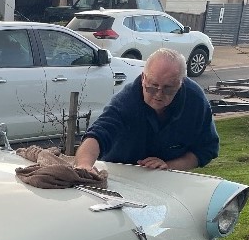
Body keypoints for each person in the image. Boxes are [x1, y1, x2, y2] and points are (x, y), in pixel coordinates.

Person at [73, 47, 219, 174]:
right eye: (152, 86)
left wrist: (169, 166)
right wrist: (84, 165)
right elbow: (98, 135)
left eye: (168, 88)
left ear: (181, 84)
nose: (159, 94)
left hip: (166, 177)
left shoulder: (195, 100)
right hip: (120, 172)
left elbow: (207, 148)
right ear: (143, 78)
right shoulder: (126, 101)